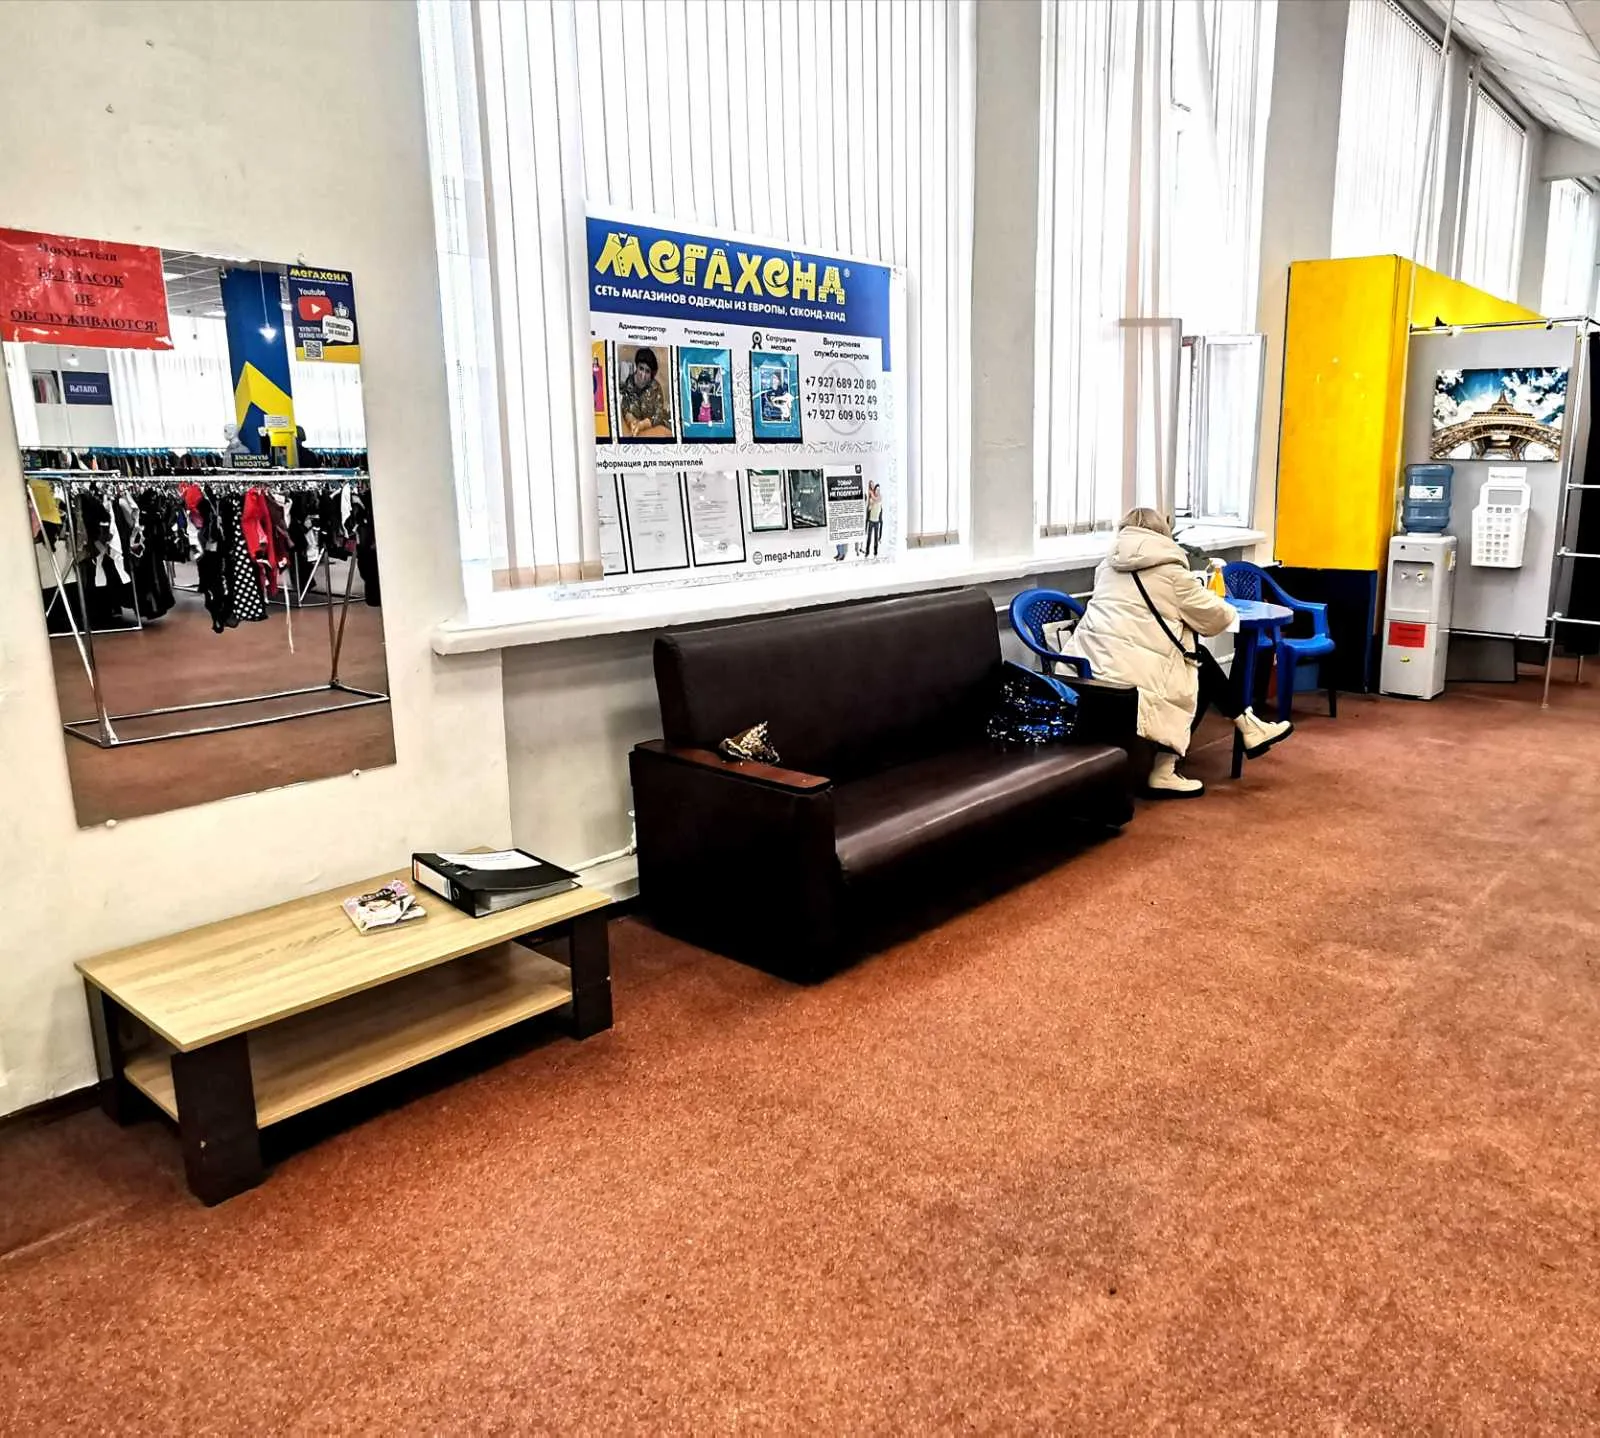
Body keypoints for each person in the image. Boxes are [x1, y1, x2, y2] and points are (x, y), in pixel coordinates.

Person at [1060, 507, 1293, 797]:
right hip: (1131, 678)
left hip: (1089, 667)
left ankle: (1249, 726)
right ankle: (1167, 769)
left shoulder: (1106, 567)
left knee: (1197, 660)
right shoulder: (1171, 573)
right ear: (1162, 533)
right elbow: (1216, 617)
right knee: (1195, 668)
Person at [618, 347, 672, 437]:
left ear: (651, 373)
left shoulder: (655, 387)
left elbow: (658, 415)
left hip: (651, 429)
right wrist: (631, 420)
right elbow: (624, 407)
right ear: (637, 366)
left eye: (647, 371)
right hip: (632, 429)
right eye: (641, 368)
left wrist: (642, 424)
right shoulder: (627, 383)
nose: (643, 375)